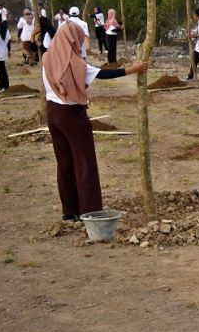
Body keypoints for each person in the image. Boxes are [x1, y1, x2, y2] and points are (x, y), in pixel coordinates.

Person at [41, 21, 148, 222]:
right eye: (79, 40)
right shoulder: (74, 64)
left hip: (53, 114)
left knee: (64, 163)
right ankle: (89, 211)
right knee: (85, 163)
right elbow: (103, 74)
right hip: (72, 116)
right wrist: (132, 69)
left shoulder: (48, 58)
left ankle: (69, 211)